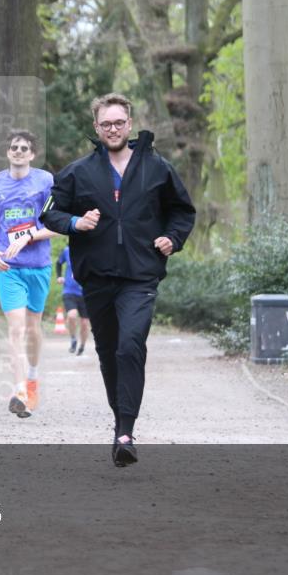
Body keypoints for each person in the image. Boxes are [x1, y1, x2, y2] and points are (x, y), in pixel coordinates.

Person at [40, 93, 195, 467]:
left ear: (129, 123)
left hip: (141, 275)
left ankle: (125, 431)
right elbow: (49, 212)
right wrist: (75, 222)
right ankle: (119, 422)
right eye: (106, 124)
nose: (113, 129)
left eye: (119, 123)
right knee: (109, 353)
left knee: (130, 346)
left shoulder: (157, 168)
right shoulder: (79, 171)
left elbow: (182, 211)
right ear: (96, 128)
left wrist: (172, 240)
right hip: (96, 276)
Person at [0, 130, 59, 418]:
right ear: (8, 151)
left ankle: (33, 379)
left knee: (34, 329)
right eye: (15, 147)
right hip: (8, 268)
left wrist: (29, 237)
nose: (19, 151)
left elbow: (58, 224)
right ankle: (20, 391)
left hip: (38, 266)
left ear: (32, 154)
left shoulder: (46, 181)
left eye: (25, 148)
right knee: (16, 330)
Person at [56, 246, 90, 356]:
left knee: (85, 323)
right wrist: (59, 276)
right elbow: (58, 263)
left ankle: (82, 346)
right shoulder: (67, 250)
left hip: (86, 293)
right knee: (71, 315)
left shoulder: (92, 250)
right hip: (69, 290)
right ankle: (73, 338)